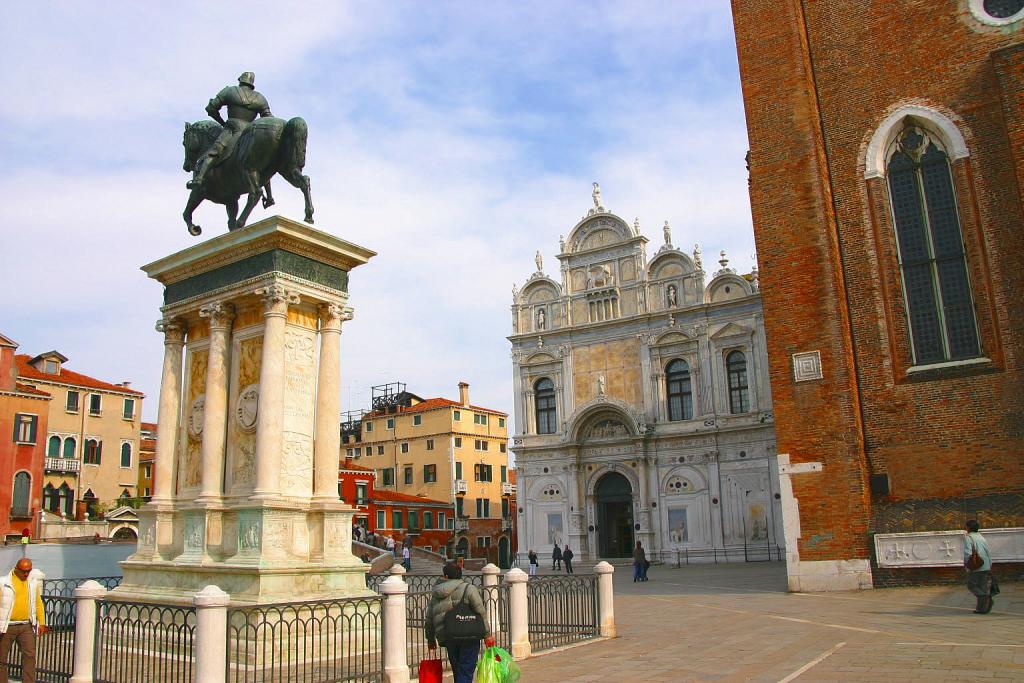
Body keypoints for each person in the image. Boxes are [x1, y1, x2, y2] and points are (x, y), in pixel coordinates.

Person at [187, 72, 274, 190]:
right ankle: (268, 194)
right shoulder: (260, 98)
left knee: (214, 151)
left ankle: (199, 178)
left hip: (232, 129)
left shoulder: (230, 91)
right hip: (250, 132)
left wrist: (222, 122)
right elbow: (268, 118)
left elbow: (211, 108)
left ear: (240, 80)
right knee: (260, 161)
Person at [426, 562, 495, 683]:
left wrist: (430, 640)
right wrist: (487, 634)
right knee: (465, 671)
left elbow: (429, 619)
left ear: (445, 576)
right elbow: (481, 611)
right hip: (470, 635)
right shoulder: (469, 589)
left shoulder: (437, 593)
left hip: (449, 636)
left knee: (458, 671)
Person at [0, 558, 46, 683]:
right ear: (16, 569)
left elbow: (38, 603)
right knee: (1, 658)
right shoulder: (3, 583)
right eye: (23, 571)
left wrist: (42, 622)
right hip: (6, 626)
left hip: (26, 625)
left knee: (30, 656)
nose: (26, 574)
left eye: (28, 571)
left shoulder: (32, 583)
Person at [964, 520, 995, 614]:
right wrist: (990, 563)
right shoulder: (981, 537)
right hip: (985, 564)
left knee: (972, 585)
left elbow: (968, 552)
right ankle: (982, 609)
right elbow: (987, 551)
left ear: (968, 528)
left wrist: (967, 564)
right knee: (983, 587)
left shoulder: (968, 537)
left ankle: (985, 597)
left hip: (976, 565)